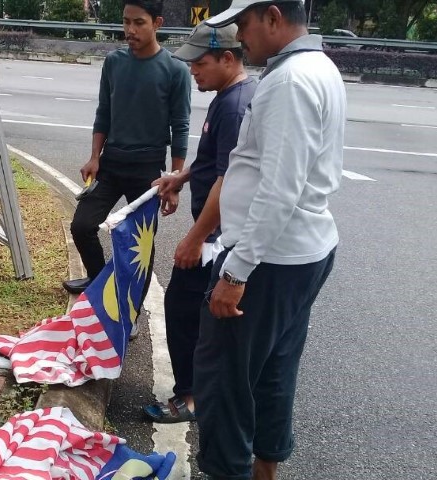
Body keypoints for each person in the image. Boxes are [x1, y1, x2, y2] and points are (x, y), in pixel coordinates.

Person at [193, 1, 346, 478]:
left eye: (244, 24)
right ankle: (264, 471)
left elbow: (280, 188)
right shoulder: (318, 66)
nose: (240, 37)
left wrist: (237, 271)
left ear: (273, 17)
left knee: (224, 381)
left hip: (269, 260)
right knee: (274, 372)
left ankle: (230, 471)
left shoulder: (289, 82)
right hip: (302, 250)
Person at [143, 22, 257, 423]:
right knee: (191, 311)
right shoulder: (228, 96)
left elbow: (228, 181)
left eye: (199, 62)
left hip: (217, 239)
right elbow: (211, 161)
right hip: (216, 234)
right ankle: (201, 390)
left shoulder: (236, 106)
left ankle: (192, 397)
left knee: (184, 311)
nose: (192, 70)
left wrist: (195, 238)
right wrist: (181, 177)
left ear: (227, 58)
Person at [63, 0, 191, 295]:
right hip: (111, 163)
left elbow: (181, 127)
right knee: (82, 226)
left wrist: (175, 180)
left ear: (157, 23)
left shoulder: (175, 70)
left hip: (148, 171)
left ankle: (130, 306)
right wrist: (94, 157)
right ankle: (98, 284)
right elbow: (103, 113)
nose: (130, 30)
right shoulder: (114, 62)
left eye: (139, 23)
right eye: (126, 22)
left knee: (139, 243)